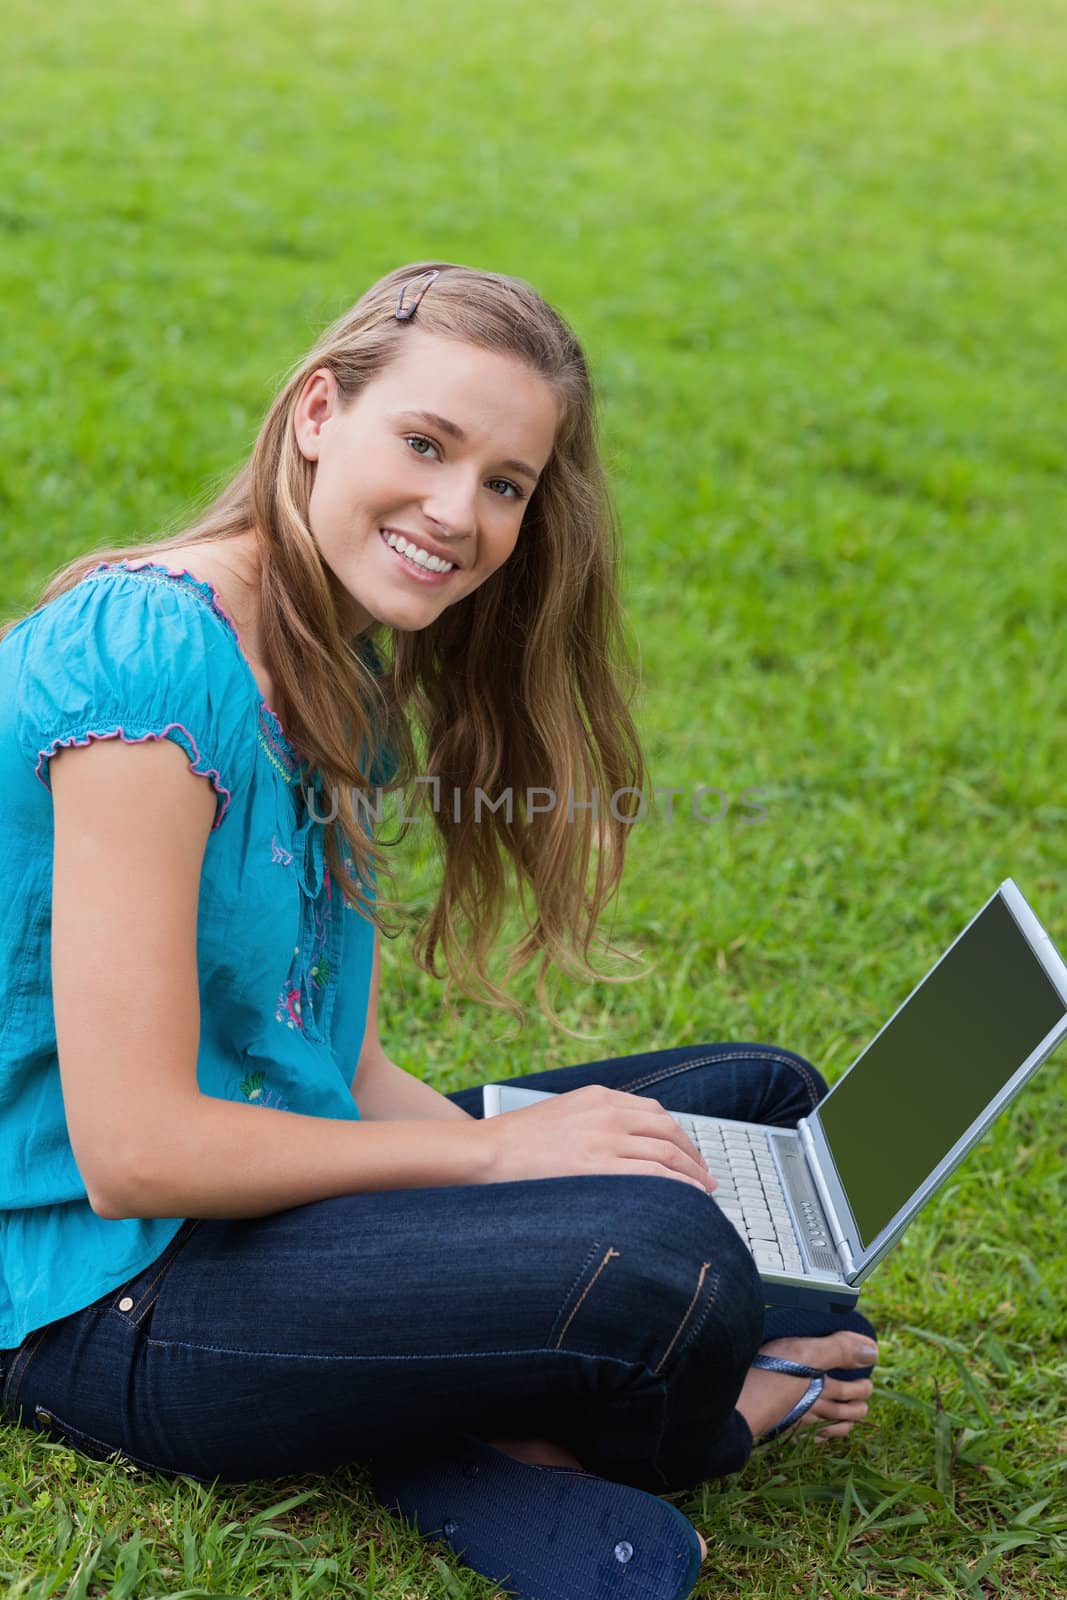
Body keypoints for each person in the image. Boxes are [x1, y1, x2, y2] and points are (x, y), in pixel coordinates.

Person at [0, 262, 878, 1600]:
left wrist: (507, 1159)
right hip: (89, 1290)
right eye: (426, 444)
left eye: (507, 484)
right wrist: (499, 1162)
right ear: (316, 415)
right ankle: (673, 1424)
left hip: (258, 1209)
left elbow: (335, 1070)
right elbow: (132, 1152)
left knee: (760, 1101)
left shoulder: (335, 674)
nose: (457, 512)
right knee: (671, 1264)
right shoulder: (147, 666)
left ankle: (448, 1401)